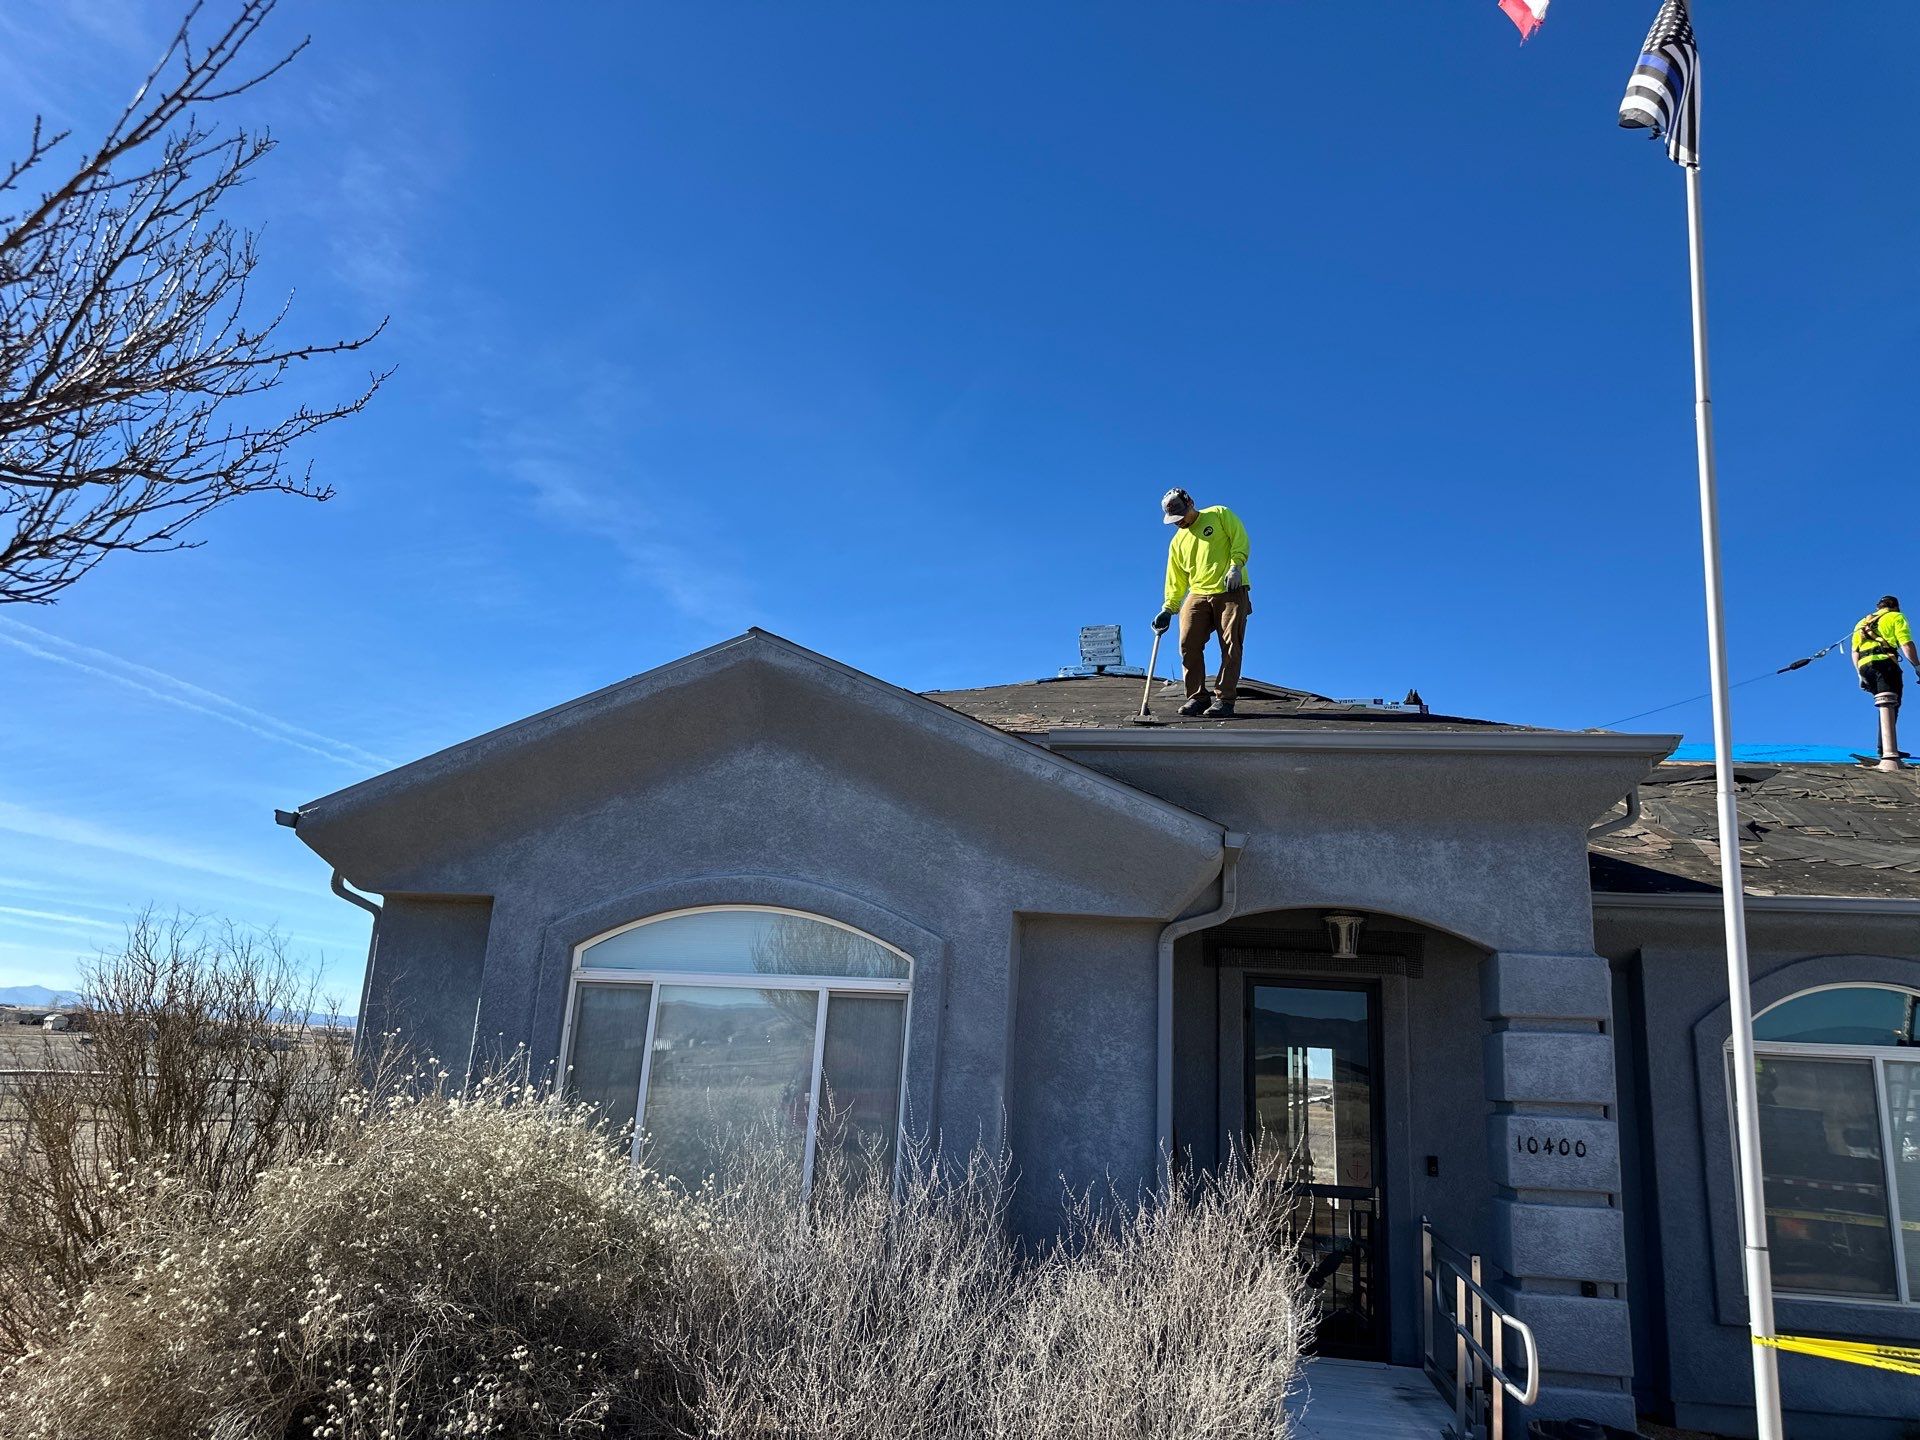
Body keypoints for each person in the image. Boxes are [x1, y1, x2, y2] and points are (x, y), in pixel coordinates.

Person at [1150, 488, 1251, 718]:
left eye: (1181, 516)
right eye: (1173, 520)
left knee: (1231, 644)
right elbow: (1175, 579)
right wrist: (1169, 607)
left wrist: (1236, 566)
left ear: (1191, 503)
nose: (1179, 523)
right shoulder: (1177, 542)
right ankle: (1197, 697)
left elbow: (1240, 538)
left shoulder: (1219, 514)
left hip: (1230, 589)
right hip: (1197, 593)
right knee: (1188, 644)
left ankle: (1224, 700)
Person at [1852, 595, 1920, 768]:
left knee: (1883, 703)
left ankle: (1885, 748)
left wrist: (1860, 675)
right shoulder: (1896, 617)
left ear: (1878, 607)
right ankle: (1888, 752)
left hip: (1864, 665)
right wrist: (1917, 666)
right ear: (1896, 607)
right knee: (1891, 702)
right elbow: (1906, 643)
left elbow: (1855, 651)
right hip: (1885, 664)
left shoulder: (1861, 623)